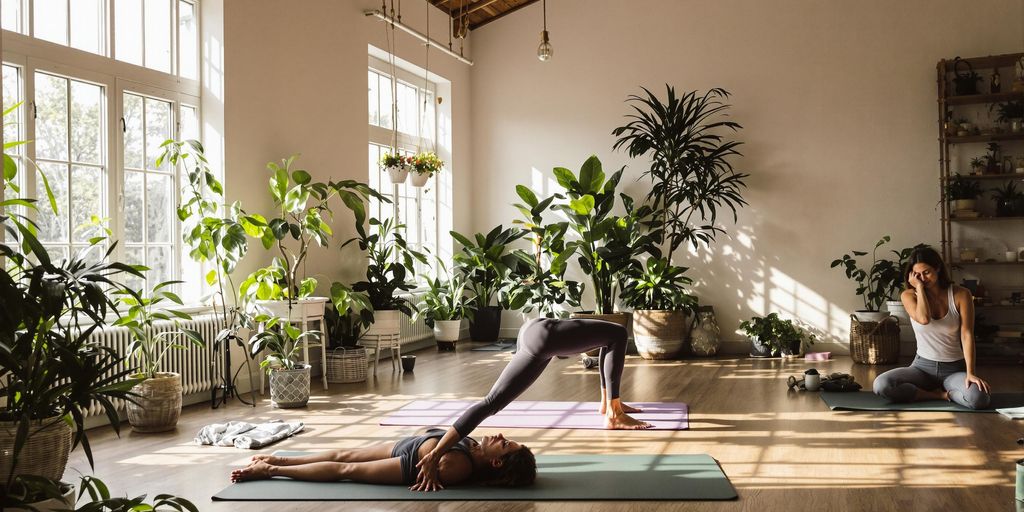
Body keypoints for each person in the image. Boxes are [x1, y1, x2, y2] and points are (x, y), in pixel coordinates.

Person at [410, 317, 652, 492]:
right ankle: (613, 411)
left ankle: (609, 406)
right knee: (617, 334)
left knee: (612, 337)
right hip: (542, 336)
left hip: (534, 333)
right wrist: (435, 454)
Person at [872, 247, 992, 409]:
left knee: (979, 399)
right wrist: (920, 289)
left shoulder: (961, 294)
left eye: (926, 272)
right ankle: (937, 395)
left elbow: (967, 335)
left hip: (954, 369)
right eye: (917, 275)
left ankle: (947, 389)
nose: (922, 279)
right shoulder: (908, 295)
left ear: (938, 268)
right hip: (921, 368)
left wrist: (971, 373)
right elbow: (923, 318)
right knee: (881, 385)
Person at [230, 427, 536, 490]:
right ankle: (278, 459)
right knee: (342, 453)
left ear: (496, 462)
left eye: (505, 444)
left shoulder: (460, 465)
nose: (499, 436)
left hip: (406, 465)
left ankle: (269, 471)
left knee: (345, 469)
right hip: (409, 444)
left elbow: (435, 467)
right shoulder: (472, 446)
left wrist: (433, 458)